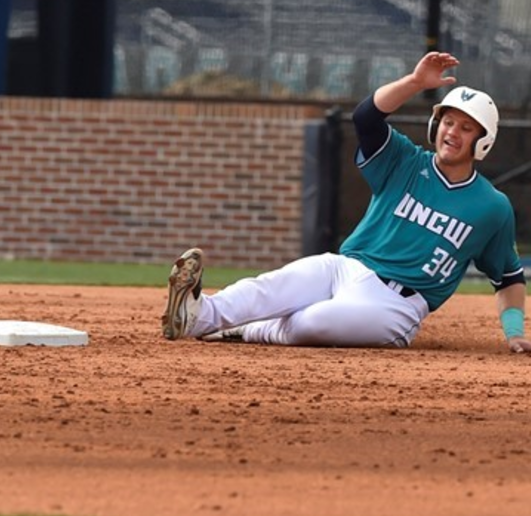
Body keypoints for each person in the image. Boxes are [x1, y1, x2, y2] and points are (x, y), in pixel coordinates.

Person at [161, 51, 529, 353]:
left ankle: (249, 331)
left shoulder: (491, 207)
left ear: (483, 142)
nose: (453, 132)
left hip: (396, 306)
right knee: (271, 287)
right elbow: (366, 117)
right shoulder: (405, 160)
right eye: (448, 122)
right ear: (436, 126)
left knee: (313, 322)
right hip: (346, 267)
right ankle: (197, 314)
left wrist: (514, 332)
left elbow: (508, 277)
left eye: (466, 128)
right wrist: (415, 83)